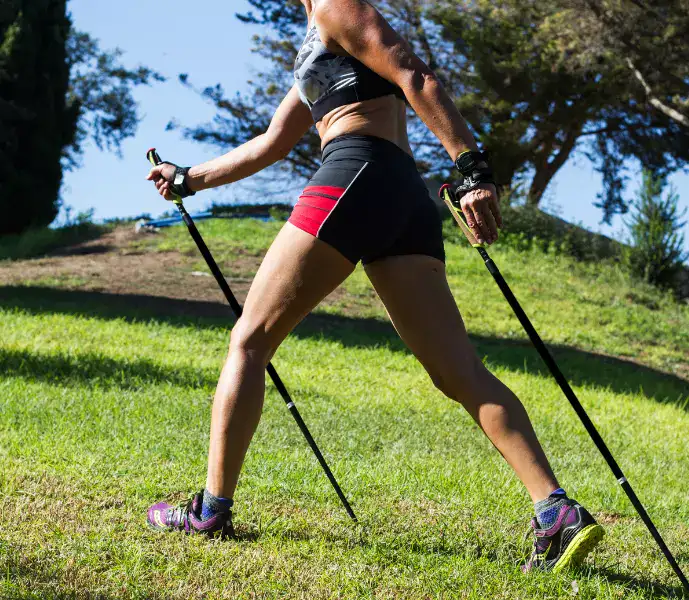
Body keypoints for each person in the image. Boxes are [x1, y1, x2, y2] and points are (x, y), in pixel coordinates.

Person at [144, 0, 604, 573]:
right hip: (400, 195)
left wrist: (470, 167)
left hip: (354, 172)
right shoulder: (318, 41)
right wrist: (191, 178)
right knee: (457, 371)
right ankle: (555, 511)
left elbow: (415, 72)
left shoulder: (339, 6)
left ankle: (210, 512)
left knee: (249, 341)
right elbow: (272, 141)